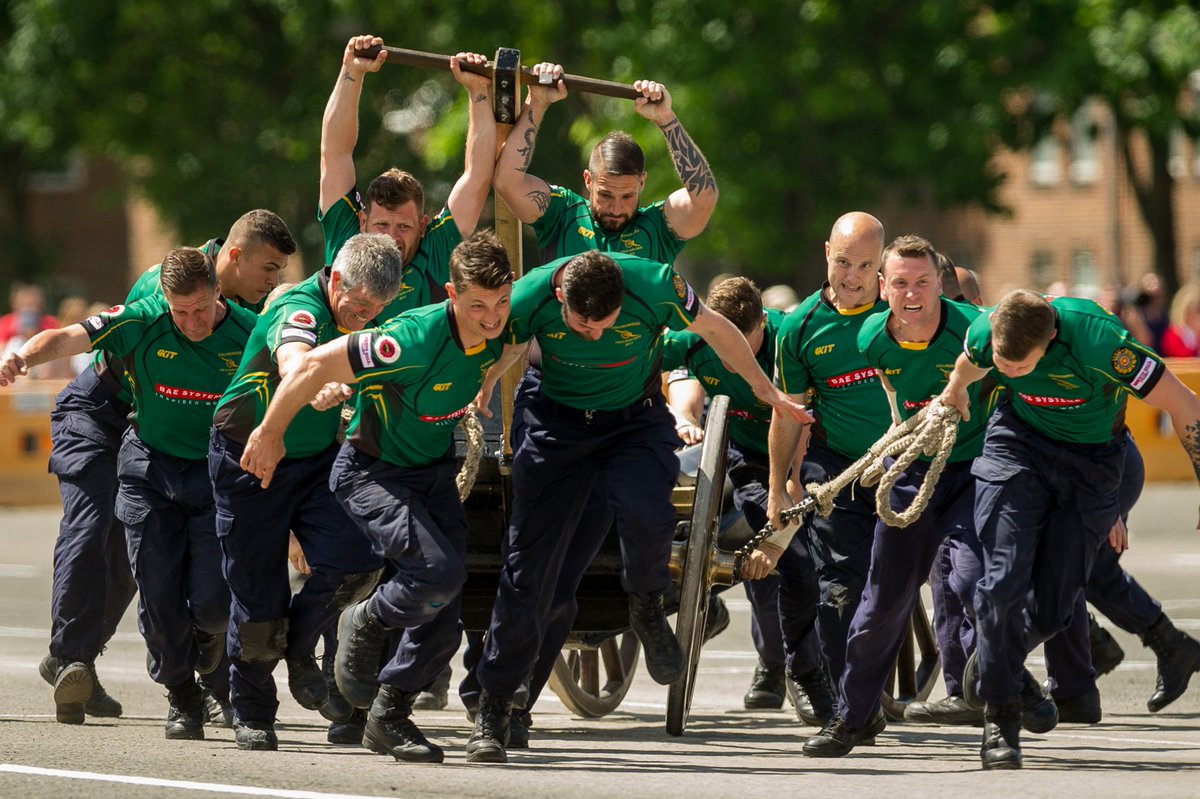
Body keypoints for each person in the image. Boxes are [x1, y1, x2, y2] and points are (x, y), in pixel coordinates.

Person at [465, 250, 810, 763]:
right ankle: (494, 709)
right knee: (529, 571)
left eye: (605, 324)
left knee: (648, 506)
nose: (595, 336)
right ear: (560, 297)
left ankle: (647, 605)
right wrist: (487, 383)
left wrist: (768, 392)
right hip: (555, 425)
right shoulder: (530, 295)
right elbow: (492, 343)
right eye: (582, 326)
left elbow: (716, 330)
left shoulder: (657, 284)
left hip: (632, 420)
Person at [239, 231, 514, 763]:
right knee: (437, 573)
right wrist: (271, 432)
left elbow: (532, 323)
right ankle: (361, 620)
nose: (491, 317)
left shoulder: (508, 320)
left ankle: (389, 714)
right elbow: (313, 363)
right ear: (452, 296)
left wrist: (489, 381)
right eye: (477, 304)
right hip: (372, 472)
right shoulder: (409, 338)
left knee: (446, 605)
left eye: (501, 302)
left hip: (433, 472)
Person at [35, 210, 295, 727]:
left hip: (178, 431)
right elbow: (101, 346)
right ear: (233, 260)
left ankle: (197, 673)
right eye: (269, 269)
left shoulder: (247, 319)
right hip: (108, 410)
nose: (274, 282)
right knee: (97, 529)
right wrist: (26, 356)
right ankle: (74, 659)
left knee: (159, 563)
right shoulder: (167, 284)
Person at [2, 247, 258, 740]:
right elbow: (69, 336)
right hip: (127, 442)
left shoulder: (248, 331)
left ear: (218, 293)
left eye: (201, 309)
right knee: (106, 536)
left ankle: (127, 657)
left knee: (202, 597)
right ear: (165, 301)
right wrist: (22, 357)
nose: (192, 323)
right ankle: (83, 661)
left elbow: (297, 368)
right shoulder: (145, 317)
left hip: (204, 468)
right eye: (180, 312)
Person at [939, 288, 1200, 769]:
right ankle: (1001, 718)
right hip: (1017, 444)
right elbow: (969, 362)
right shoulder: (986, 331)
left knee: (1054, 607)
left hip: (1092, 461)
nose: (1010, 372)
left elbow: (1184, 405)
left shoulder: (1103, 344)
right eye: (1005, 364)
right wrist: (956, 391)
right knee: (998, 585)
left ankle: (1004, 663)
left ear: (1051, 340)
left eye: (1021, 366)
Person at [775, 236, 1007, 756]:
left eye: (922, 282)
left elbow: (1028, 327)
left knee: (973, 582)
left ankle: (1000, 717)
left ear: (939, 285)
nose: (911, 294)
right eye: (899, 283)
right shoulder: (872, 339)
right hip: (908, 474)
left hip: (971, 470)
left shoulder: (977, 329)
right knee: (879, 606)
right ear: (884, 289)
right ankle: (854, 718)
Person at [208, 233, 404, 750]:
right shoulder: (298, 306)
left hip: (316, 459)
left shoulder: (372, 318)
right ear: (335, 279)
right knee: (257, 597)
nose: (363, 317)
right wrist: (314, 384)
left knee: (359, 562)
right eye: (358, 304)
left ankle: (297, 650)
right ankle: (252, 711)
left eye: (376, 309)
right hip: (248, 455)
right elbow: (294, 357)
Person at [663, 276, 818, 712]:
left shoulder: (788, 337)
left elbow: (812, 407)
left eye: (744, 345)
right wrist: (684, 415)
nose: (733, 359)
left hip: (805, 446)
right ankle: (770, 661)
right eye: (723, 345)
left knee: (800, 555)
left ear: (761, 328)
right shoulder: (696, 336)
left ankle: (804, 665)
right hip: (742, 451)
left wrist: (791, 480)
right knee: (754, 550)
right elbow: (660, 362)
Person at [765, 211, 891, 725]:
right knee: (836, 591)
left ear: (881, 266)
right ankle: (851, 704)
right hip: (838, 464)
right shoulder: (799, 330)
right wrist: (777, 486)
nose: (853, 276)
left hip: (906, 458)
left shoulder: (904, 313)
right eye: (843, 262)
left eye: (865, 265)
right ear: (826, 254)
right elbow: (789, 416)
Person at [319, 35, 494, 317]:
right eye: (382, 224)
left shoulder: (436, 247)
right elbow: (334, 153)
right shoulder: (346, 236)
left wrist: (479, 92)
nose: (390, 237)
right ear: (362, 221)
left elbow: (478, 177)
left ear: (423, 226)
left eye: (403, 227)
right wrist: (351, 71)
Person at [492, 62, 717, 263]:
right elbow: (507, 183)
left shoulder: (659, 227)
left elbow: (704, 198)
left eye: (627, 196)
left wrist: (666, 119)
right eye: (606, 195)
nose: (616, 209)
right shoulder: (563, 214)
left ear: (641, 183)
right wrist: (537, 102)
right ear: (588, 180)